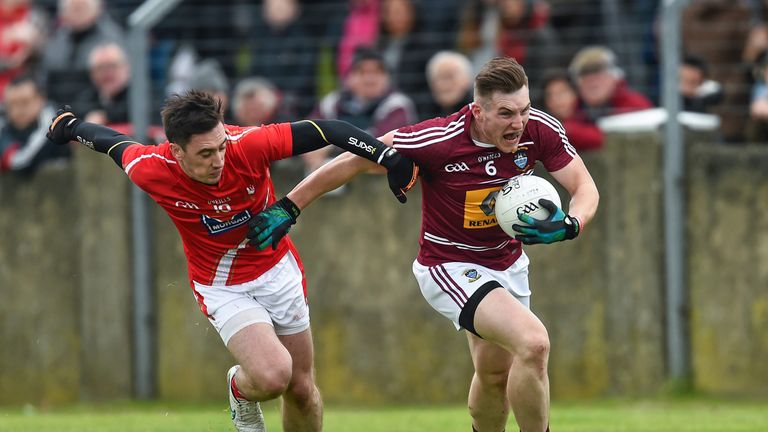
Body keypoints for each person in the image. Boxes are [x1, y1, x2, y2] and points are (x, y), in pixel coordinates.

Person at [249, 57, 599, 432]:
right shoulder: (439, 139)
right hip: (449, 266)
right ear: (478, 111)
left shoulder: (540, 130)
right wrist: (290, 206)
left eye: (524, 110)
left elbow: (584, 187)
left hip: (508, 263)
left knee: (495, 373)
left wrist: (571, 224)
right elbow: (353, 161)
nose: (518, 123)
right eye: (506, 113)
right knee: (534, 343)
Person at [45, 90, 418, 432]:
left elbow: (330, 130)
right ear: (177, 151)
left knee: (302, 390)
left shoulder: (247, 145)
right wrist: (71, 127)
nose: (219, 160)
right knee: (273, 376)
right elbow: (112, 143)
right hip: (222, 287)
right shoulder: (150, 168)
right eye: (206, 154)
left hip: (277, 271)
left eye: (221, 146)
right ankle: (240, 389)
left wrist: (388, 159)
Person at [0, 73, 70, 176]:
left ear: (41, 100)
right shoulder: (5, 123)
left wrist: (6, 159)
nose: (18, 110)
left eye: (25, 102)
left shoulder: (55, 123)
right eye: (12, 104)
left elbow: (22, 163)